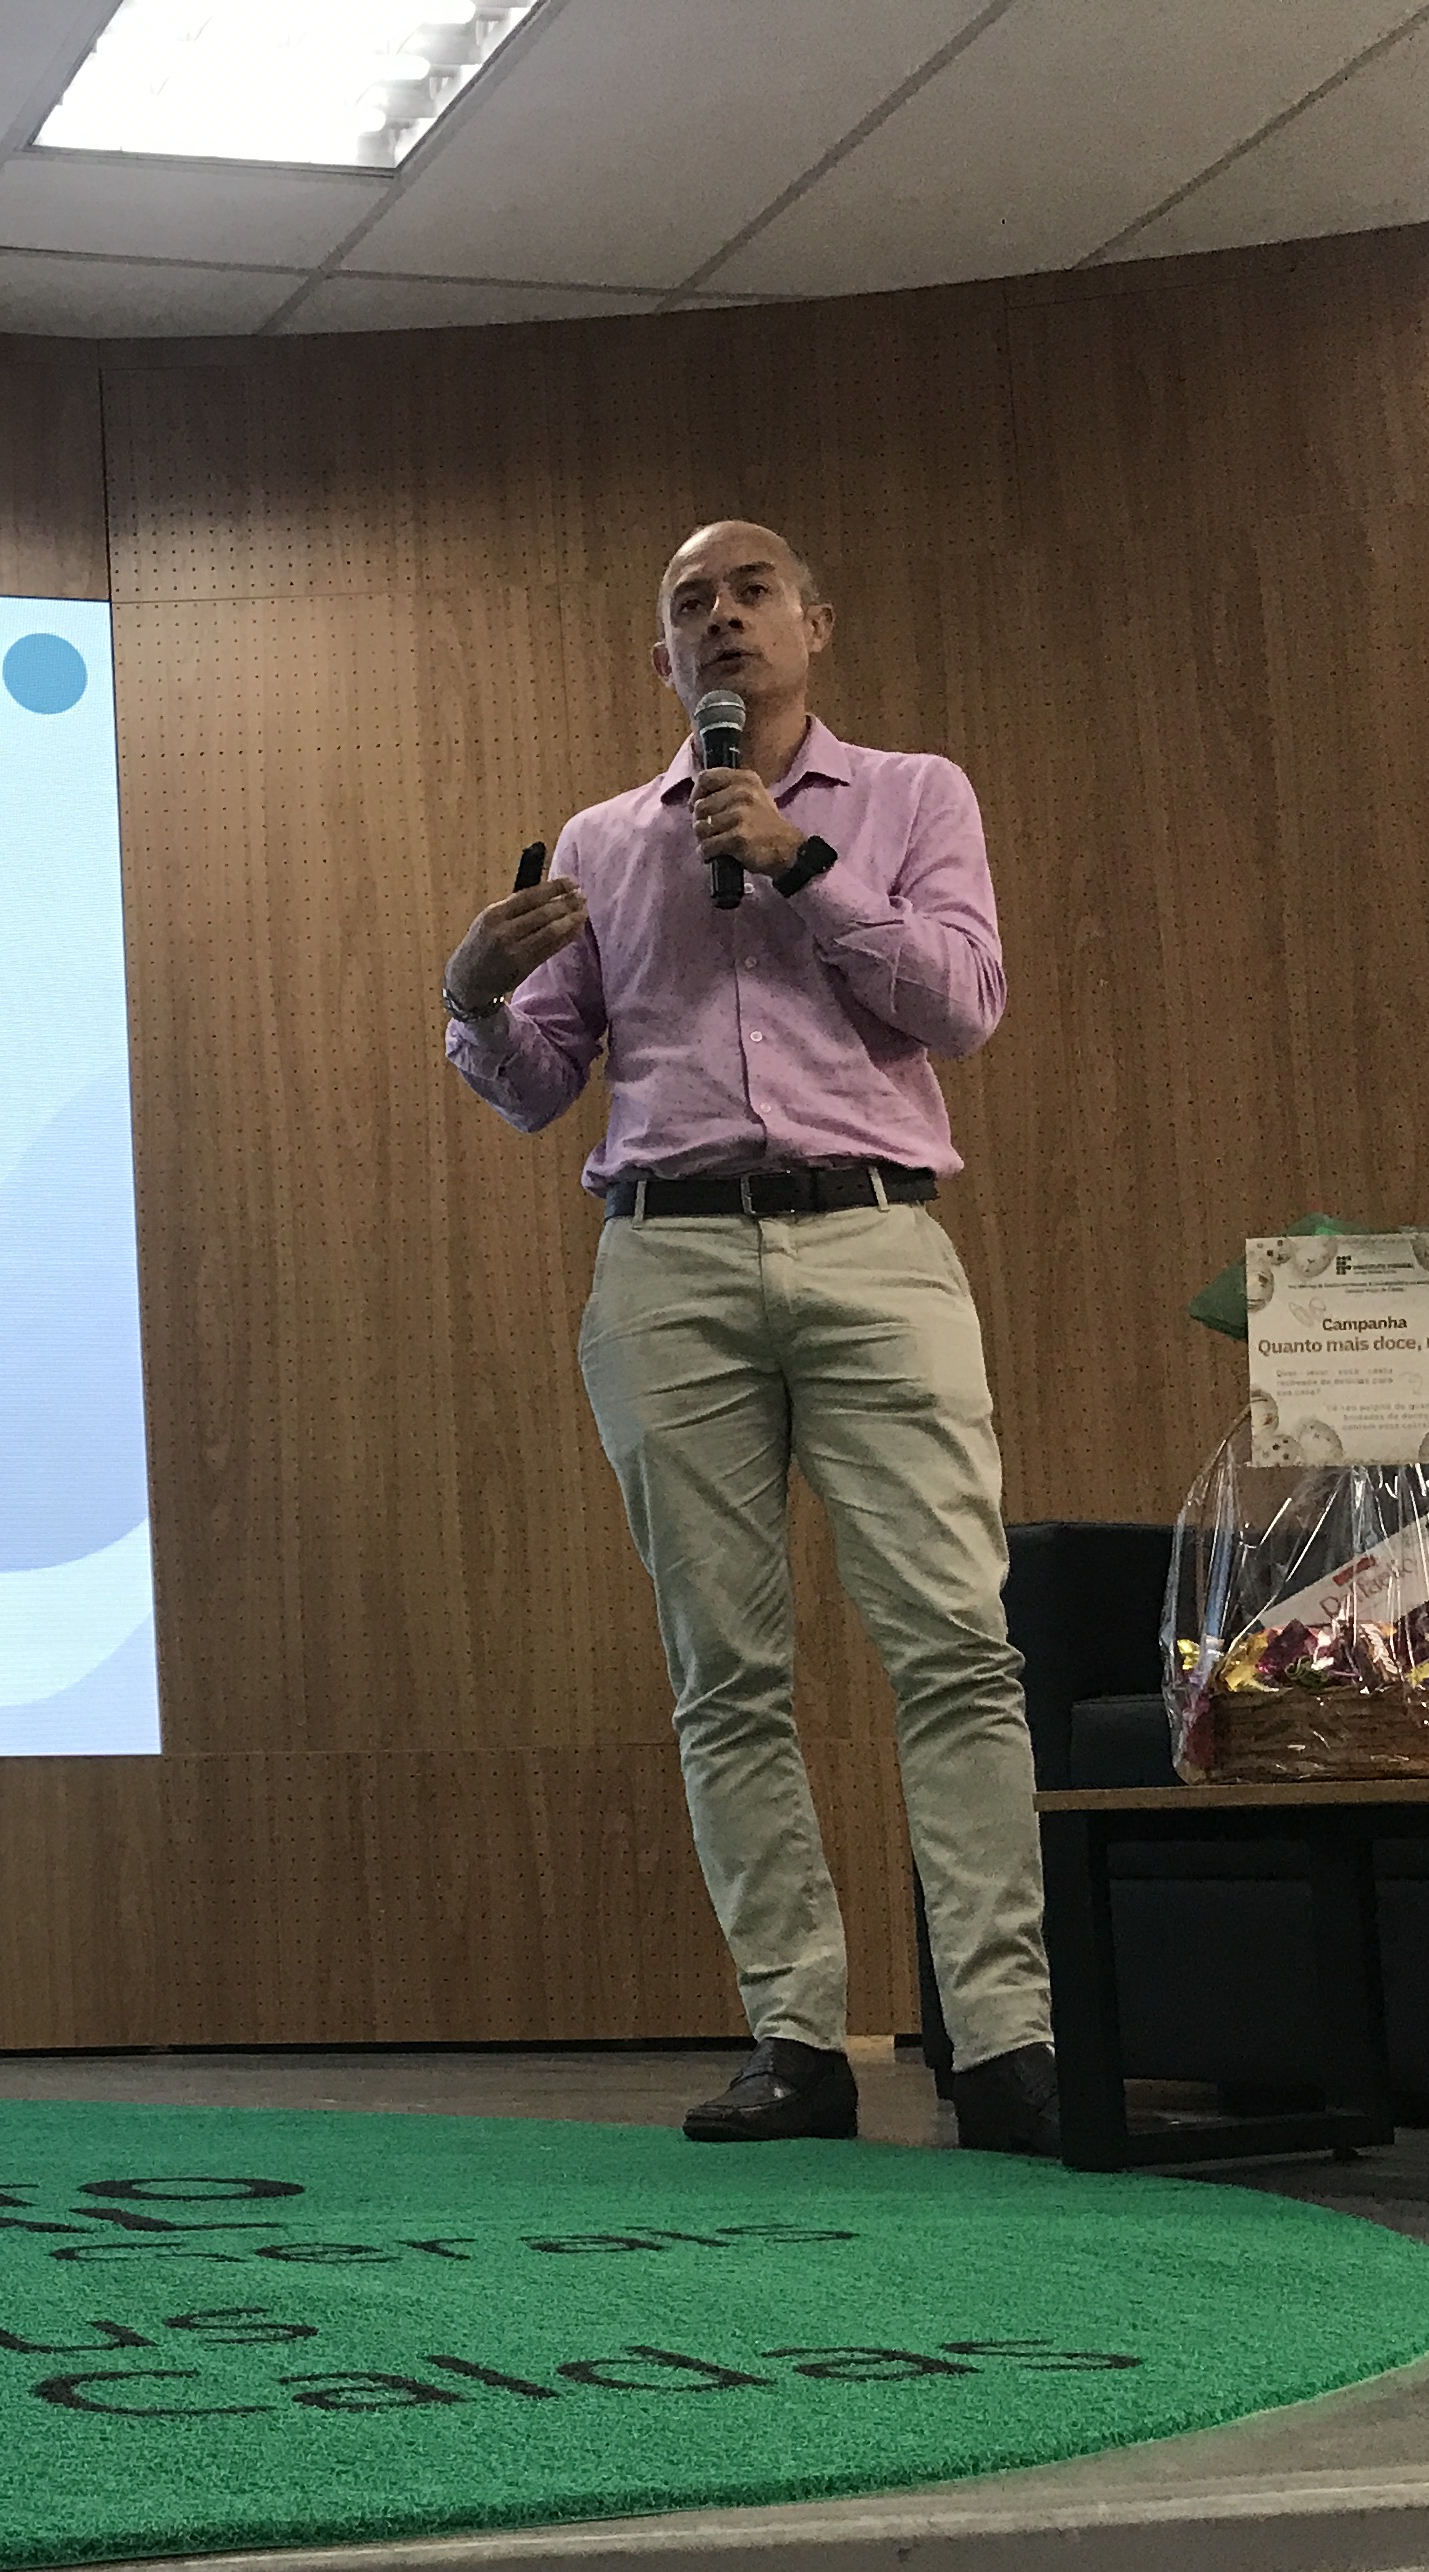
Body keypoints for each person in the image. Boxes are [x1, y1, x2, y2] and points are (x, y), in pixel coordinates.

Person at [439, 521, 1061, 2153]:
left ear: (815, 622)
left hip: (876, 1241)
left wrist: (803, 866)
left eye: (752, 590)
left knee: (955, 1644)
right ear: (663, 660)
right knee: (725, 1668)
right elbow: (538, 1087)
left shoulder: (914, 796)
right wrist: (473, 996)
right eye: (690, 605)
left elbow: (965, 1005)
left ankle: (1007, 2040)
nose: (723, 617)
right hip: (669, 1260)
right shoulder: (605, 840)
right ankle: (796, 2040)